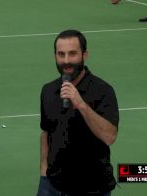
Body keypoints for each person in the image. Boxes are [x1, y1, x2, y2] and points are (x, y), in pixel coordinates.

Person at [37, 29, 119, 196]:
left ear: (85, 55)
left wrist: (81, 104)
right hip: (53, 186)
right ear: (55, 56)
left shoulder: (103, 91)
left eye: (72, 54)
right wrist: (44, 173)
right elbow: (46, 133)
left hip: (92, 188)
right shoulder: (48, 90)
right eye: (61, 54)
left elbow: (109, 136)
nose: (66, 61)